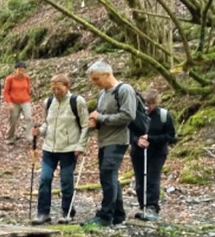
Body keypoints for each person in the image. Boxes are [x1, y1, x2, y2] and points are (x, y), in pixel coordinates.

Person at [31, 74, 90, 225]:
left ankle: (67, 212)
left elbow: (85, 125)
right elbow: (46, 123)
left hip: (69, 149)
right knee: (44, 178)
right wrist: (40, 131)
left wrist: (81, 145)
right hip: (49, 148)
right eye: (53, 88)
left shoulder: (77, 101)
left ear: (67, 86)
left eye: (59, 88)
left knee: (66, 181)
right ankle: (43, 213)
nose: (56, 91)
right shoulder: (49, 102)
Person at [86, 61, 136, 227]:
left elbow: (128, 115)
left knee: (108, 175)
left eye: (96, 79)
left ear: (107, 74)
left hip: (118, 140)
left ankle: (105, 215)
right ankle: (119, 214)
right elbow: (102, 115)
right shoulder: (102, 93)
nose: (95, 83)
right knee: (109, 177)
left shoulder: (124, 90)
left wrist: (102, 118)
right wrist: (95, 121)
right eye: (93, 80)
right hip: (104, 140)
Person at [130, 88, 176, 221]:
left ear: (155, 103)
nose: (147, 107)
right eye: (145, 104)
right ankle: (142, 205)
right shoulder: (135, 114)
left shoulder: (163, 115)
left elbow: (170, 135)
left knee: (152, 179)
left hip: (157, 153)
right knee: (140, 181)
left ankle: (152, 206)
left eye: (150, 104)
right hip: (138, 152)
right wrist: (137, 140)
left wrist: (150, 138)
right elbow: (130, 132)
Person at [4, 61, 33, 145]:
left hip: (25, 101)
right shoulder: (10, 79)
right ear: (15, 70)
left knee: (29, 118)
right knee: (13, 119)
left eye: (23, 70)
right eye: (19, 70)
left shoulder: (26, 78)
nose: (21, 72)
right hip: (14, 101)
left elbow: (28, 89)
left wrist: (28, 95)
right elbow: (6, 92)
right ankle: (9, 137)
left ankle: (29, 136)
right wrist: (9, 103)